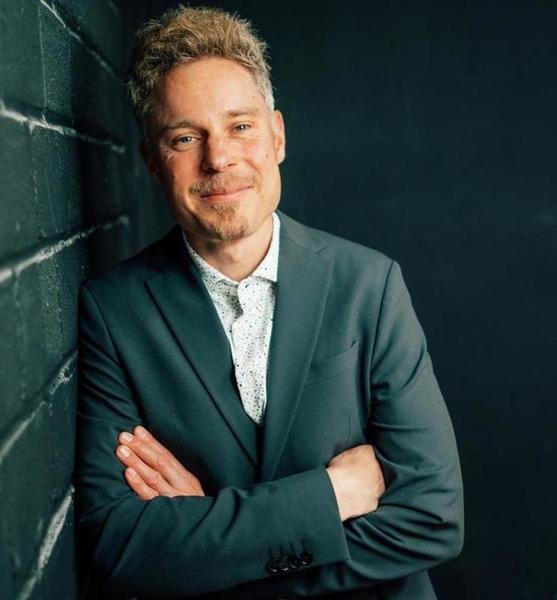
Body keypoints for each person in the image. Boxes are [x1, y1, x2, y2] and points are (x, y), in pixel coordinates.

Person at [75, 5, 464, 599]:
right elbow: (119, 544)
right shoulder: (112, 313)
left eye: (240, 126)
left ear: (277, 136)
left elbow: (433, 518)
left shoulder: (370, 284)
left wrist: (221, 557)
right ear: (153, 162)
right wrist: (331, 496)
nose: (219, 159)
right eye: (186, 138)